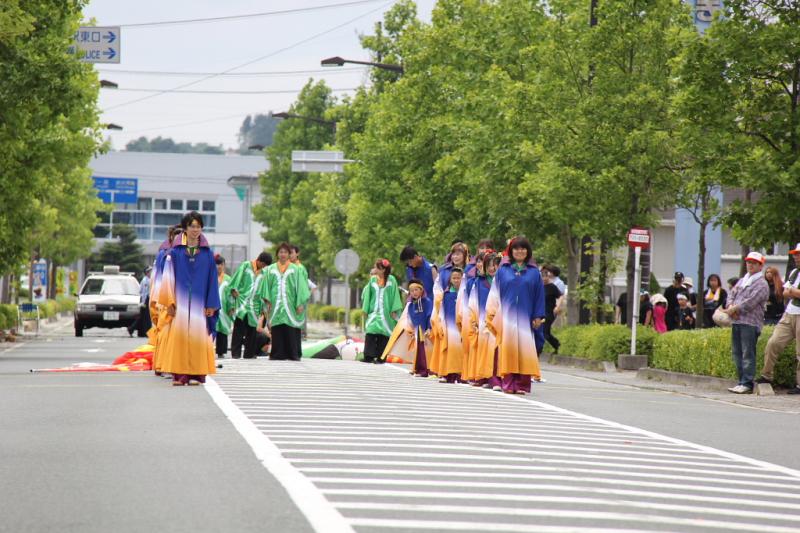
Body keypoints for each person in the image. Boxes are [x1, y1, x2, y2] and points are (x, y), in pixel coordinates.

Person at [157, 211, 220, 386]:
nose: (195, 230)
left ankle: (196, 375)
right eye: (192, 226)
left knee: (198, 337)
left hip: (200, 303)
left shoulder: (207, 253)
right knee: (179, 338)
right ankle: (179, 375)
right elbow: (168, 277)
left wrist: (211, 303)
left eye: (198, 226)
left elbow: (212, 279)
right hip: (180, 302)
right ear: (185, 228)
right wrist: (169, 301)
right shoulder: (175, 252)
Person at [485, 236, 545, 395]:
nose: (520, 251)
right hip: (506, 317)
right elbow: (494, 293)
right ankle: (508, 382)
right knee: (508, 349)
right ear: (511, 251)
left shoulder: (534, 272)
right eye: (516, 248)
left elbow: (539, 294)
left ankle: (522, 384)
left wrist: (538, 315)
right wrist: (492, 313)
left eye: (523, 248)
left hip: (526, 317)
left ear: (528, 251)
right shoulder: (503, 270)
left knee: (524, 349)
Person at [756, 244, 800, 394]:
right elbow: (785, 292)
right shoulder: (794, 272)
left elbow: (789, 291)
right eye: (795, 254)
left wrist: (792, 291)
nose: (796, 257)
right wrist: (794, 292)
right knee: (773, 342)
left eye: (798, 254)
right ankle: (766, 375)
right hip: (789, 313)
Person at [724, 252, 769, 394]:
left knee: (747, 353)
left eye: (754, 263)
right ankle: (741, 381)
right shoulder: (743, 279)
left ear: (760, 266)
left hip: (750, 323)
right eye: (749, 262)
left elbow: (751, 302)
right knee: (737, 352)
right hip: (737, 321)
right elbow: (731, 293)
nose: (750, 265)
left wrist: (734, 309)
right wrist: (730, 305)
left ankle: (747, 383)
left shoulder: (762, 283)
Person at [260, 242, 310, 361]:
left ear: (289, 255)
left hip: (290, 303)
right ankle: (277, 354)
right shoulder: (270, 269)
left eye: (285, 252)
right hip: (275, 302)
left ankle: (292, 354)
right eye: (281, 252)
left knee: (290, 329)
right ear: (277, 254)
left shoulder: (295, 269)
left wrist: (300, 303)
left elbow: (301, 287)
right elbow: (266, 286)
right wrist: (267, 300)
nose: (283, 254)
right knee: (277, 329)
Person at [382, 278, 433, 376]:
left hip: (425, 331)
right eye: (412, 291)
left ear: (421, 290)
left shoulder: (427, 302)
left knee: (423, 351)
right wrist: (411, 330)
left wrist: (429, 328)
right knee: (417, 351)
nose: (414, 293)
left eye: (416, 290)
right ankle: (416, 368)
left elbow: (429, 315)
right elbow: (409, 318)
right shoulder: (410, 305)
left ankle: (424, 370)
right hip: (416, 331)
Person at [150, 225, 182, 376]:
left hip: (177, 295)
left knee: (171, 332)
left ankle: (166, 363)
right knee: (164, 329)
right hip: (164, 295)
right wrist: (158, 299)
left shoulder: (178, 253)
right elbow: (157, 278)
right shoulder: (165, 254)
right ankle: (162, 364)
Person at [228, 252, 271, 359]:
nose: (264, 267)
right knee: (238, 329)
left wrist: (265, 301)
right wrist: (234, 289)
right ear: (260, 261)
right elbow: (237, 278)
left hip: (255, 304)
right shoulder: (246, 266)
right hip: (242, 302)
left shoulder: (264, 273)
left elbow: (265, 288)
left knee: (252, 330)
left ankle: (249, 354)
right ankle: (236, 354)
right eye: (264, 265)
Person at [360, 259, 403, 364]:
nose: (374, 269)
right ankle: (368, 356)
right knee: (370, 332)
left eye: (376, 267)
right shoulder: (373, 280)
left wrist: (394, 309)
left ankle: (381, 357)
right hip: (373, 312)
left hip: (386, 312)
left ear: (383, 270)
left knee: (383, 335)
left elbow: (395, 296)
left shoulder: (392, 280)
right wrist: (365, 309)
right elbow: (368, 295)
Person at [471, 251, 502, 390]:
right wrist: (474, 320)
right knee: (484, 349)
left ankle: (496, 378)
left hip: (499, 319)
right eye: (488, 265)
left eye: (495, 265)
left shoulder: (503, 281)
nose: (492, 268)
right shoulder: (479, 282)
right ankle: (484, 376)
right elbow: (473, 303)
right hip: (483, 319)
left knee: (497, 349)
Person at [434, 268, 465, 383]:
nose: (456, 280)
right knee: (450, 350)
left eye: (459, 278)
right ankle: (448, 374)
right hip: (449, 326)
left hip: (462, 326)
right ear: (450, 280)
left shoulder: (466, 292)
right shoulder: (446, 294)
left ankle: (461, 375)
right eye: (454, 278)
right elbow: (441, 312)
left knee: (462, 351)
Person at [214, 255, 234, 359]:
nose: (219, 266)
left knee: (222, 331)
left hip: (224, 309)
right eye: (217, 264)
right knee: (212, 329)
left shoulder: (228, 279)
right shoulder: (210, 277)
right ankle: (208, 350)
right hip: (212, 308)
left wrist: (231, 307)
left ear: (224, 265)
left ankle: (221, 352)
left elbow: (231, 295)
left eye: (221, 264)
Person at [540, 265, 562, 354]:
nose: (544, 279)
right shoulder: (540, 287)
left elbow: (560, 296)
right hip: (541, 312)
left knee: (544, 332)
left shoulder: (552, 286)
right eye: (542, 277)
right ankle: (557, 345)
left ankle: (556, 345)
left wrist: (558, 306)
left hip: (549, 312)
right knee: (545, 332)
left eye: (546, 277)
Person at [128, 266, 152, 337]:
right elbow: (144, 293)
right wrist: (143, 303)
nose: (152, 273)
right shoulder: (146, 281)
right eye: (150, 271)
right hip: (145, 300)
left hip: (146, 300)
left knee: (142, 318)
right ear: (147, 272)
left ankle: (132, 329)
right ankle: (146, 332)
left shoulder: (149, 280)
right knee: (146, 318)